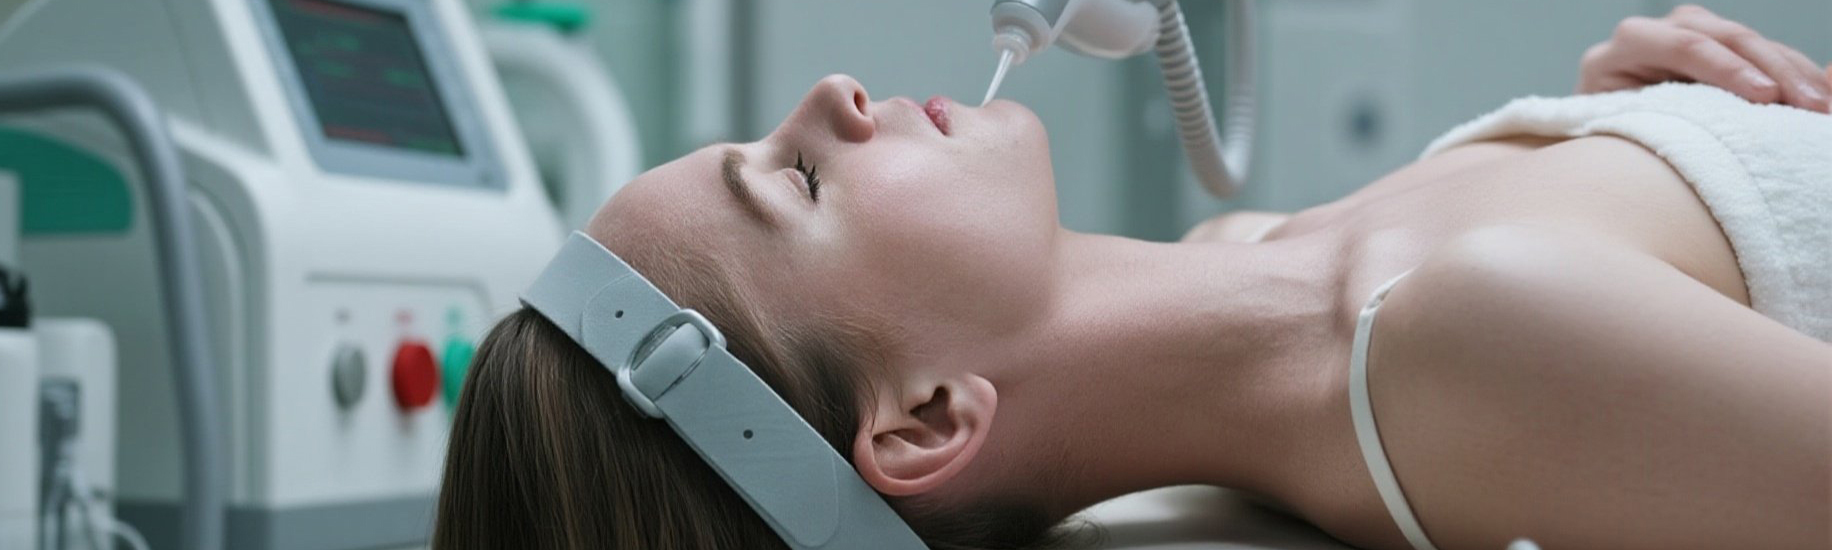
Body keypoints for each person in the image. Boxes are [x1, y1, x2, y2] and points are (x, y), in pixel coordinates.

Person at [433, 5, 1830, 550]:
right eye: (796, 182)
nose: (833, 94)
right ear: (924, 418)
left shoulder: (1256, 258)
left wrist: (1656, 147)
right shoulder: (1464, 341)